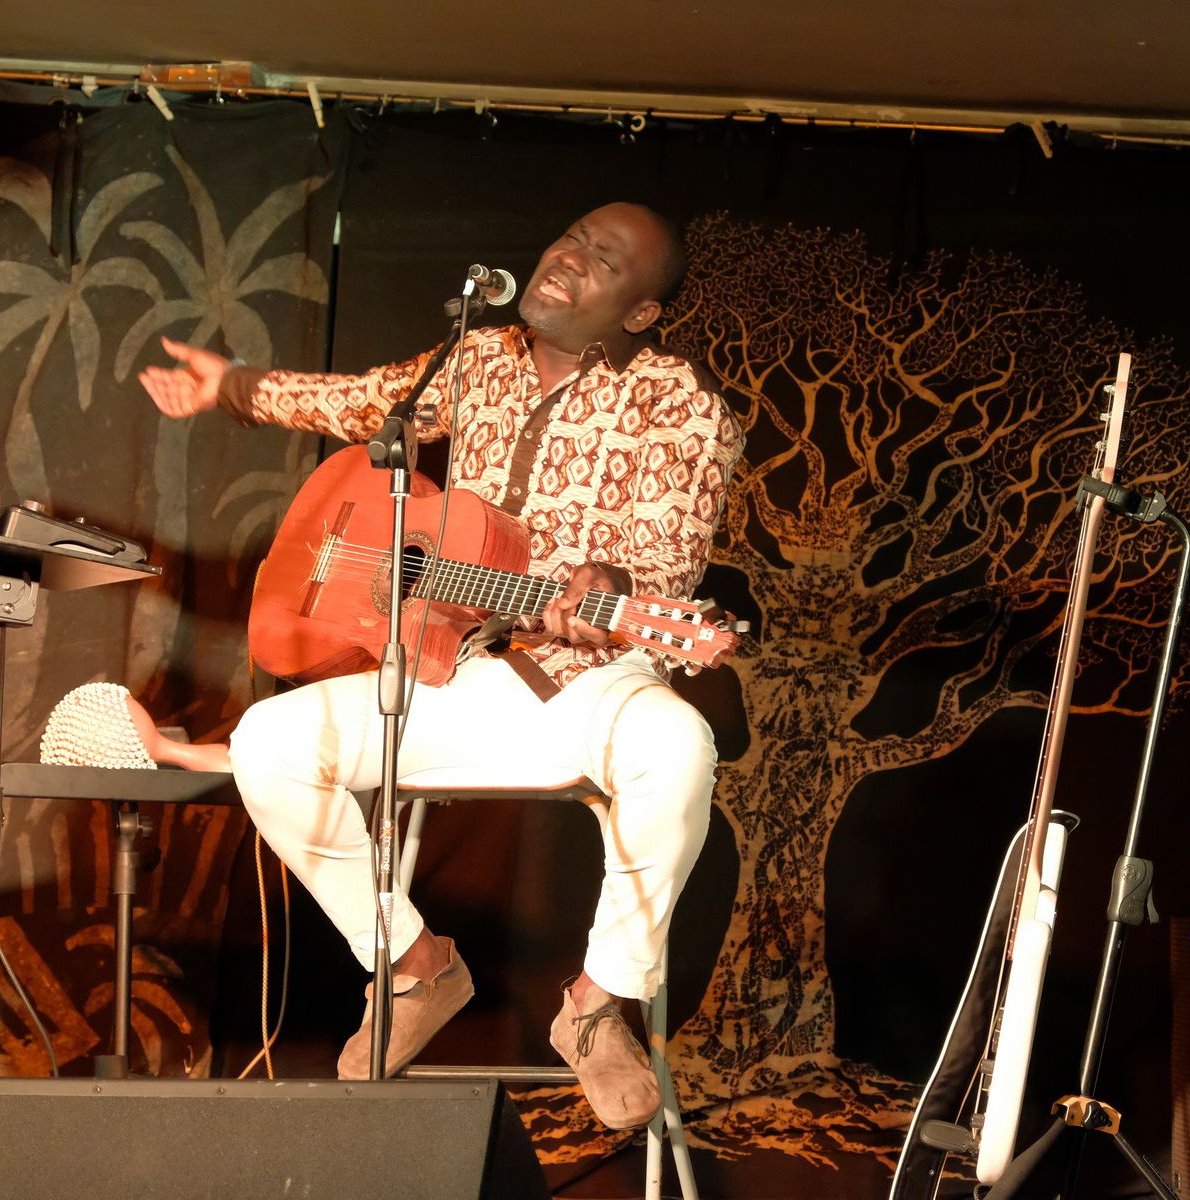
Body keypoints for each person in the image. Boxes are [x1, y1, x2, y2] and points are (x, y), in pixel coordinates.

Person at [138, 202, 742, 1130]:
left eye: (605, 258)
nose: (571, 255)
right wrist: (234, 388)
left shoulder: (683, 405)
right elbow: (363, 402)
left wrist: (612, 586)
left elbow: (665, 565)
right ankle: (417, 967)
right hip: (452, 670)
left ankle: (596, 1005)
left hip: (588, 681)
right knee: (267, 742)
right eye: (573, 236)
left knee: (680, 746)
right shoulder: (479, 359)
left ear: (641, 312)